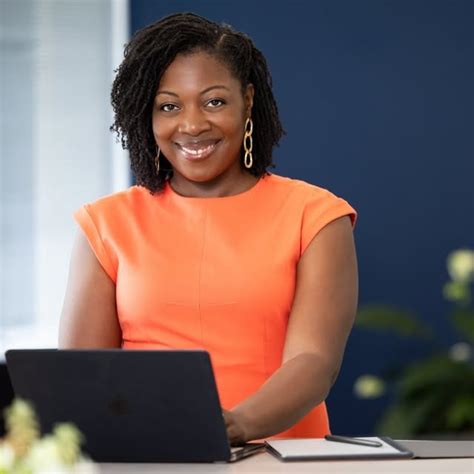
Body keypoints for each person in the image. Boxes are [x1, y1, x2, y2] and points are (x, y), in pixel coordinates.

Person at [59, 12, 358, 445]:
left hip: (282, 457)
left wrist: (234, 426)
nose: (192, 125)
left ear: (248, 101)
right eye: (169, 106)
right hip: (149, 457)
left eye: (214, 102)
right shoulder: (106, 223)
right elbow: (81, 375)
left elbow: (314, 361)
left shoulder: (315, 216)